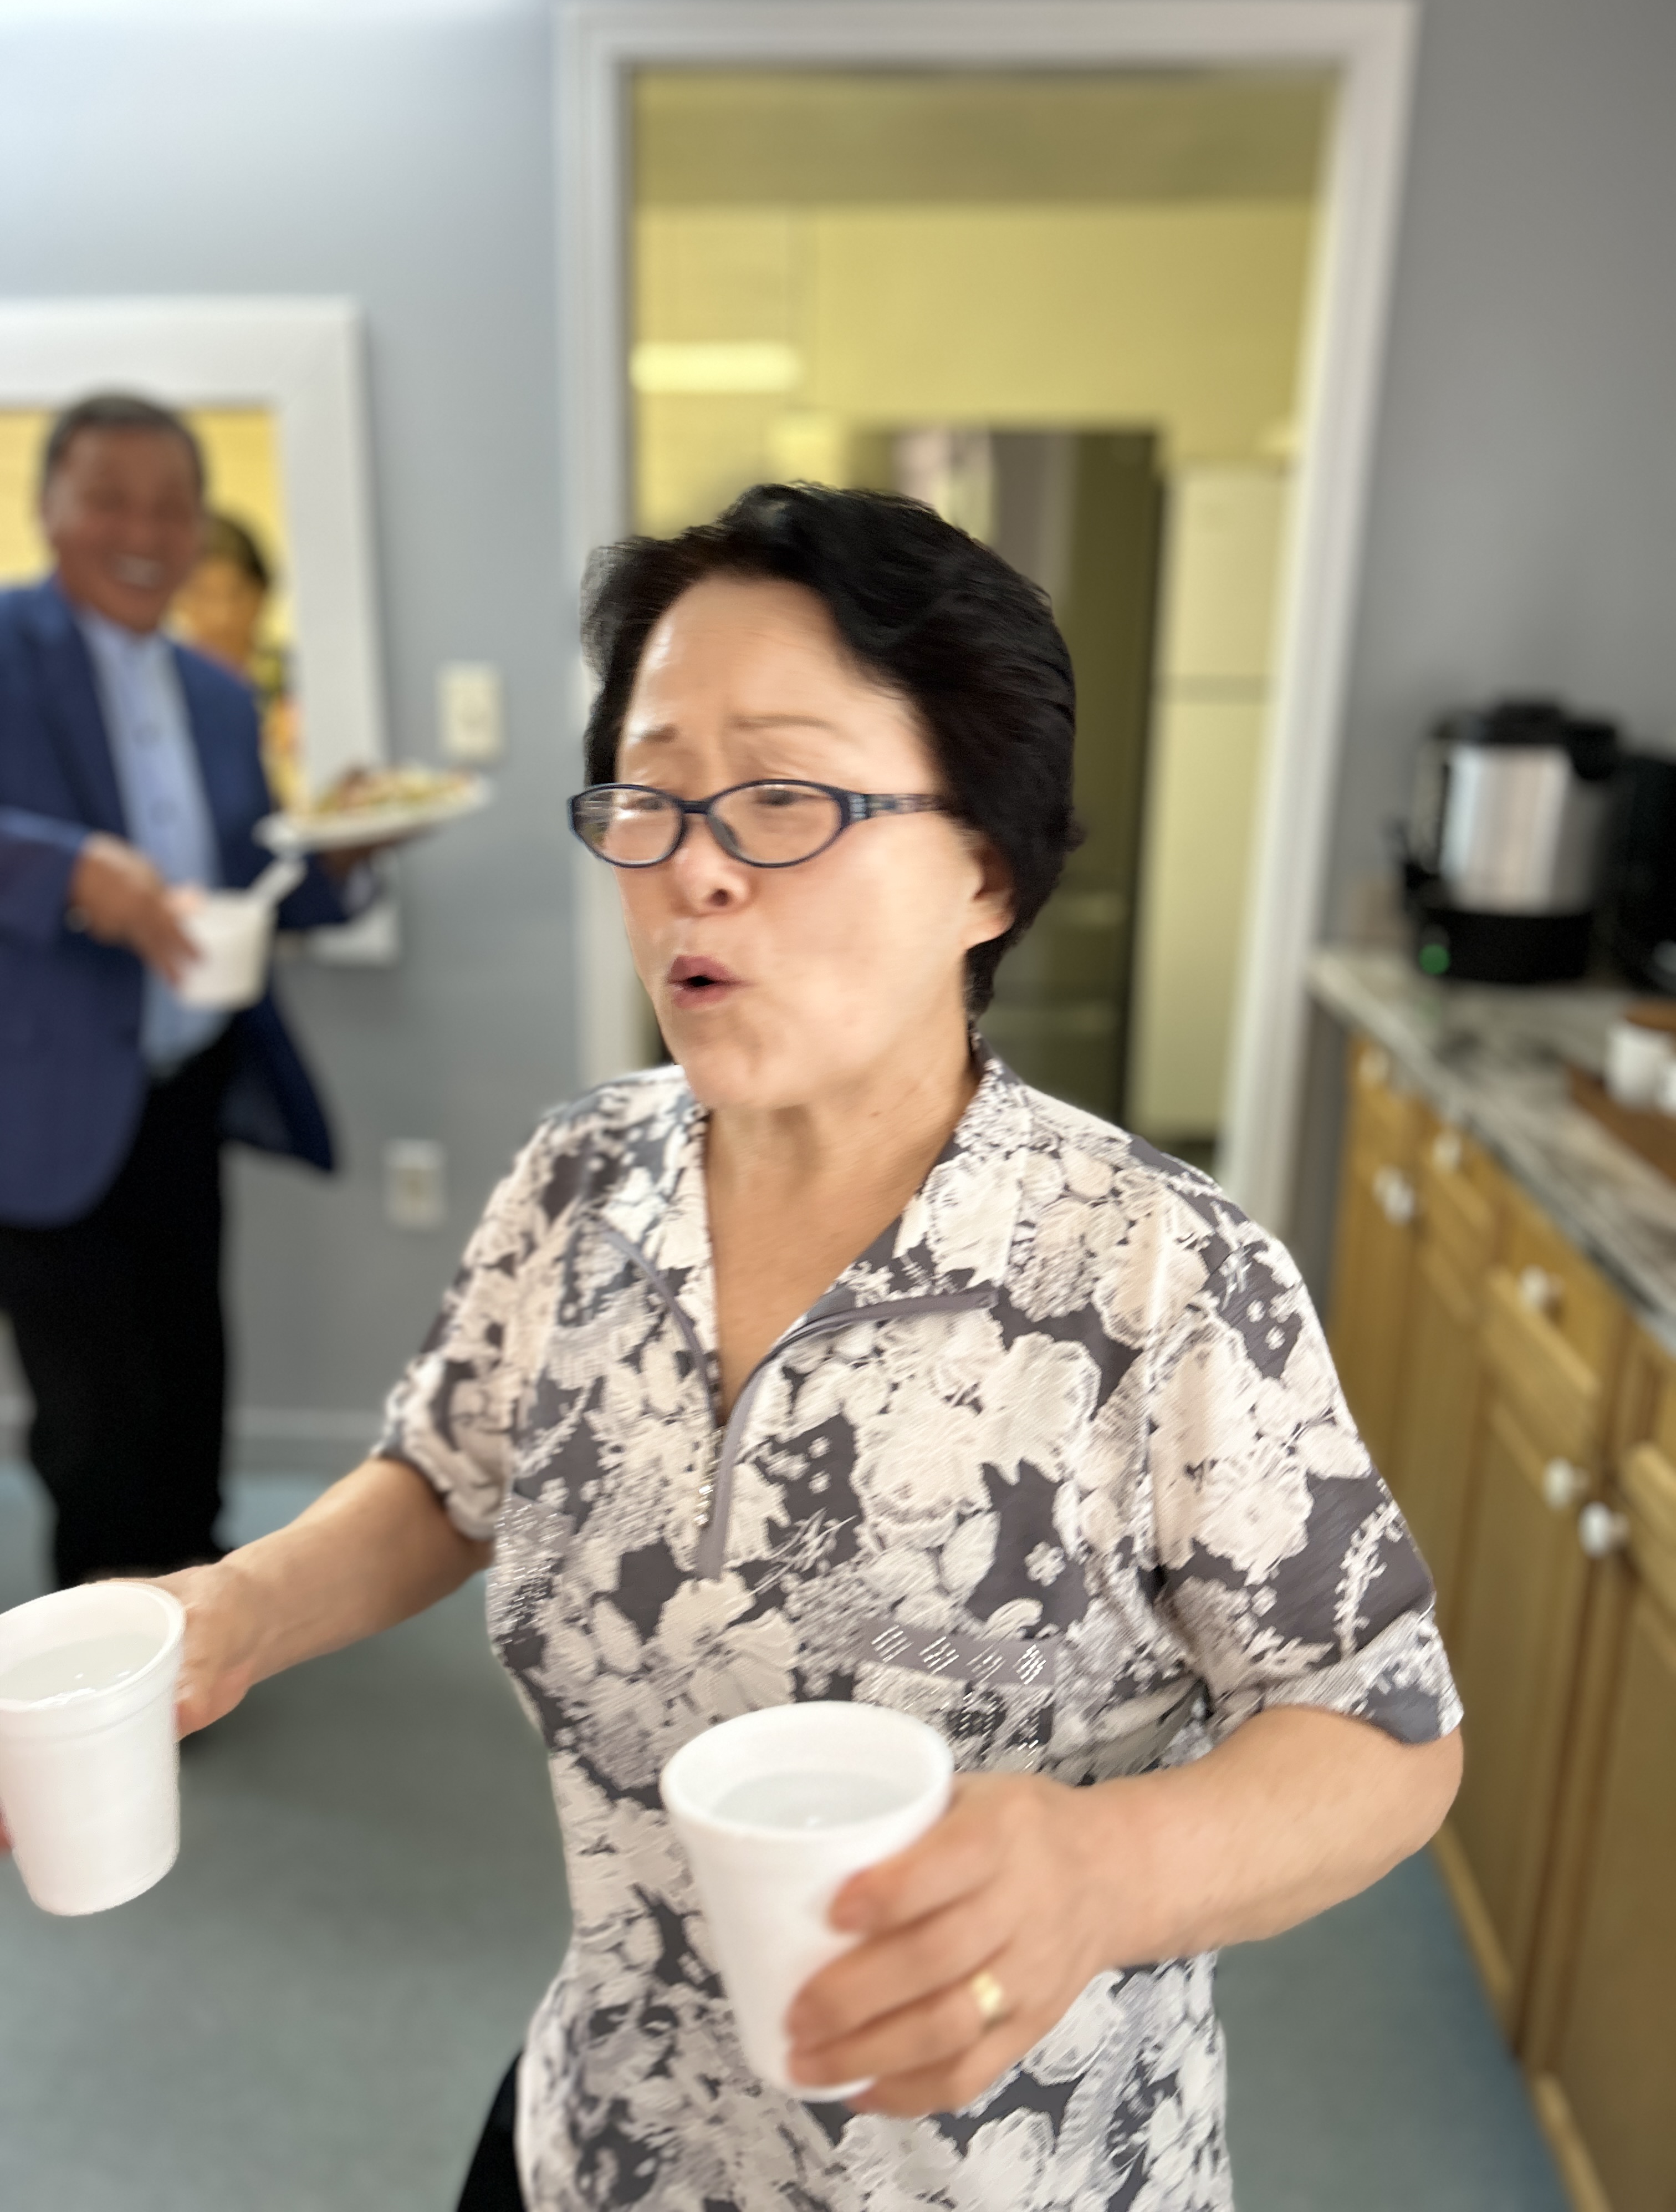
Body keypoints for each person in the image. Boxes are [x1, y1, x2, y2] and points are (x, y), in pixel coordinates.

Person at [147, 486, 1461, 2211]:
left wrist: (1107, 1869)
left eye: (783, 797)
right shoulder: (579, 1178)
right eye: (650, 793)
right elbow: (449, 1477)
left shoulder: (1160, 1275)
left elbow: (1383, 1727)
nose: (693, 866)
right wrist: (230, 1611)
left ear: (984, 868)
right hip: (606, 2140)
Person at [0, 393, 366, 1588]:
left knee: (189, 1361)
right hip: (43, 1094)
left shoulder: (216, 692)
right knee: (89, 1412)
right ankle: (104, 1634)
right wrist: (64, 869)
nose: (143, 531)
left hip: (186, 1085)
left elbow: (253, 876)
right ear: (48, 507)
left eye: (171, 506)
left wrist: (341, 861)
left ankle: (193, 1591)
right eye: (109, 500)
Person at [172, 508, 309, 814]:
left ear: (263, 594)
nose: (222, 616)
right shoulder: (167, 700)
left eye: (236, 594)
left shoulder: (298, 682)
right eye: (202, 595)